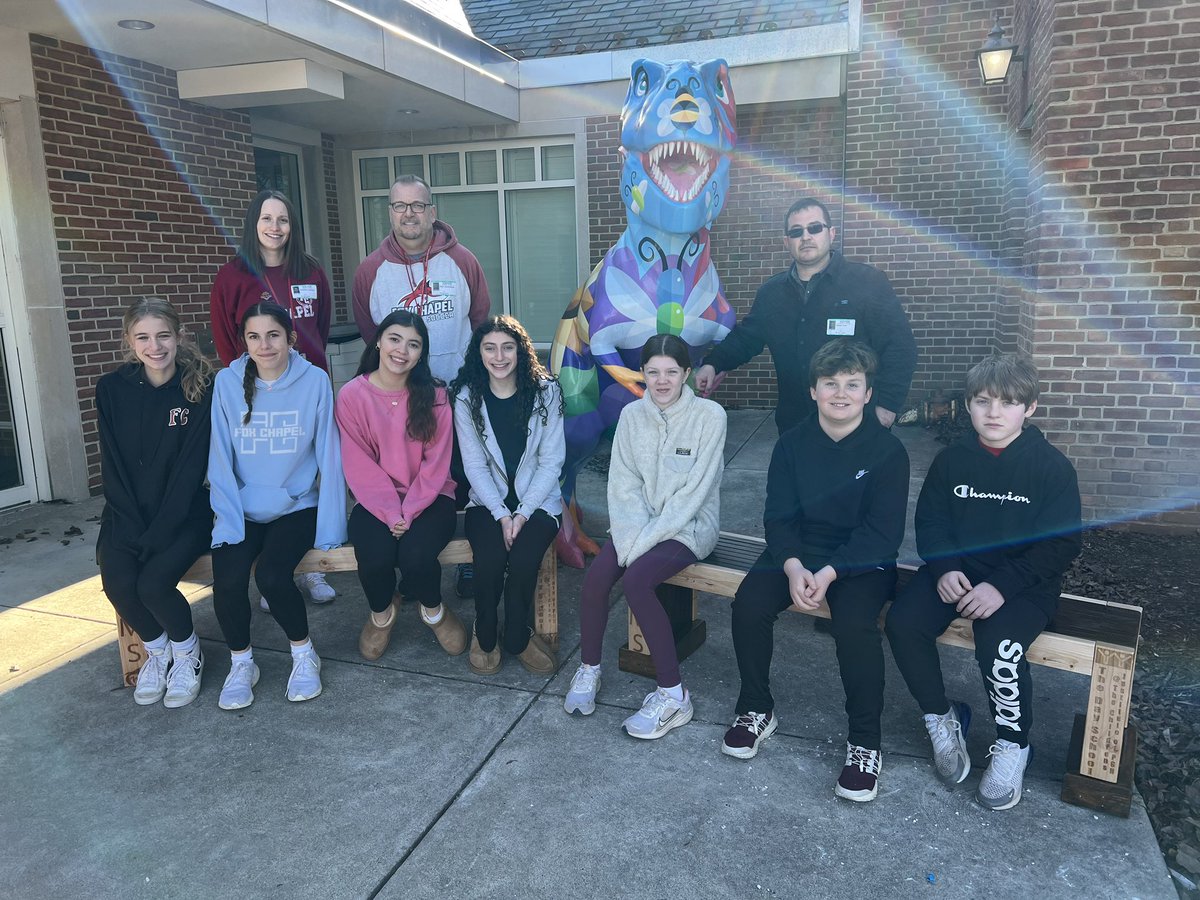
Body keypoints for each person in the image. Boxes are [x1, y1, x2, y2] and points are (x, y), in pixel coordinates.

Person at [885, 353, 1081, 811]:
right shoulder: (953, 460)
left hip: (1024, 583)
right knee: (903, 623)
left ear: (1029, 409)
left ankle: (1013, 744)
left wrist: (1003, 586)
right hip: (957, 574)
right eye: (983, 401)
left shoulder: (1052, 468)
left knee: (1000, 644)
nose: (994, 413)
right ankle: (941, 716)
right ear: (968, 405)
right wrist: (945, 565)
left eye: (1008, 403)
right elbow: (931, 522)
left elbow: (1060, 546)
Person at [721, 340, 909, 803]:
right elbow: (778, 517)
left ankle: (865, 742)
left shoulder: (888, 453)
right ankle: (756, 709)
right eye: (831, 384)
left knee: (854, 625)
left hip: (861, 561)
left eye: (852, 384)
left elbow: (882, 535)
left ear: (868, 393)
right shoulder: (792, 445)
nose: (840, 393)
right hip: (797, 552)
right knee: (748, 604)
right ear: (813, 391)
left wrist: (828, 574)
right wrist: (792, 566)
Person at [564, 334, 727, 740]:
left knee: (637, 581)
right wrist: (633, 535)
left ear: (687, 374)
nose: (662, 381)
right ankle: (589, 670)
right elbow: (623, 485)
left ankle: (674, 695)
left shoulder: (710, 416)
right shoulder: (633, 416)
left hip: (688, 526)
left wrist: (640, 544)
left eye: (671, 372)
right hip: (636, 523)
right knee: (597, 577)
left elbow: (693, 494)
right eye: (652, 372)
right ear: (642, 374)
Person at [352, 173, 492, 599]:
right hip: (403, 401)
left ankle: (468, 563)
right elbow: (368, 330)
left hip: (458, 396)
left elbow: (480, 322)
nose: (409, 213)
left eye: (418, 205)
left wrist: (467, 385)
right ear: (390, 212)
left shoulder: (463, 260)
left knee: (464, 482)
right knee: (408, 480)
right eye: (400, 206)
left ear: (433, 212)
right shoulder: (371, 270)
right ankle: (410, 563)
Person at [208, 302, 346, 710]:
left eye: (273, 335)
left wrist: (332, 528)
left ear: (290, 337)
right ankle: (241, 663)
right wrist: (227, 514)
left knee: (271, 575)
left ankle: (304, 655)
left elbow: (328, 454)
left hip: (297, 506)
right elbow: (219, 455)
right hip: (242, 505)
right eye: (254, 336)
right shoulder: (226, 383)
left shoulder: (315, 381)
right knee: (229, 581)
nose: (264, 345)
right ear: (244, 342)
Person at [210, 188, 338, 605]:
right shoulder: (233, 276)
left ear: (292, 225)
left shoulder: (311, 271)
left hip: (307, 385)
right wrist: (252, 382)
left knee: (313, 472)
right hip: (256, 390)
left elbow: (320, 325)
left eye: (282, 219)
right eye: (267, 219)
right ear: (254, 224)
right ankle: (275, 566)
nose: (275, 227)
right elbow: (227, 337)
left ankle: (313, 567)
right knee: (268, 473)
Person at [694, 197, 917, 433]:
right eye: (796, 231)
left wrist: (887, 406)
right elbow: (746, 339)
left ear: (831, 233)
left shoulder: (867, 283)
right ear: (786, 242)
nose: (806, 236)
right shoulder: (772, 294)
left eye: (815, 228)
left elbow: (900, 347)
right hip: (796, 425)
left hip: (859, 423)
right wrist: (713, 363)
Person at [96, 298, 215, 708]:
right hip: (127, 512)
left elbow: (191, 467)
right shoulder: (111, 389)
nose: (155, 345)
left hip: (183, 514)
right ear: (130, 342)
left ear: (178, 337)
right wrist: (128, 523)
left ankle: (188, 653)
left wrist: (162, 528)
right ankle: (159, 649)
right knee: (119, 584)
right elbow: (111, 462)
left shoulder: (199, 386)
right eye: (143, 337)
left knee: (153, 584)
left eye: (163, 335)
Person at [336, 310, 465, 661]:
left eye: (413, 344)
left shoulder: (435, 395)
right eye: (394, 339)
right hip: (374, 499)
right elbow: (358, 463)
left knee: (416, 555)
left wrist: (408, 511)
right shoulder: (351, 395)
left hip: (431, 495)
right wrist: (391, 511)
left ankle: (434, 612)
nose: (401, 350)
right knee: (375, 559)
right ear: (378, 340)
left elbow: (437, 462)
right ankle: (381, 615)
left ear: (421, 353)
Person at [450, 316, 564, 675]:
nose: (499, 356)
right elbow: (475, 466)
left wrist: (524, 512)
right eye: (489, 348)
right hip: (487, 502)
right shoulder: (468, 398)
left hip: (539, 501)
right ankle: (484, 633)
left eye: (507, 347)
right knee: (489, 560)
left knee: (525, 560)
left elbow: (552, 461)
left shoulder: (546, 392)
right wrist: (502, 514)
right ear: (478, 353)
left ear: (520, 351)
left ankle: (517, 634)